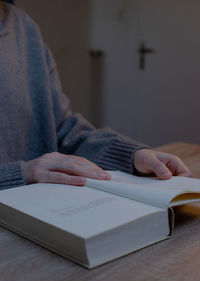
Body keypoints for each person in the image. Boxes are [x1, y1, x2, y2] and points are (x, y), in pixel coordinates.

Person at [0, 2, 191, 191]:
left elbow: (63, 131)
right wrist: (21, 174)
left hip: (46, 206)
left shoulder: (24, 27)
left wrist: (131, 156)